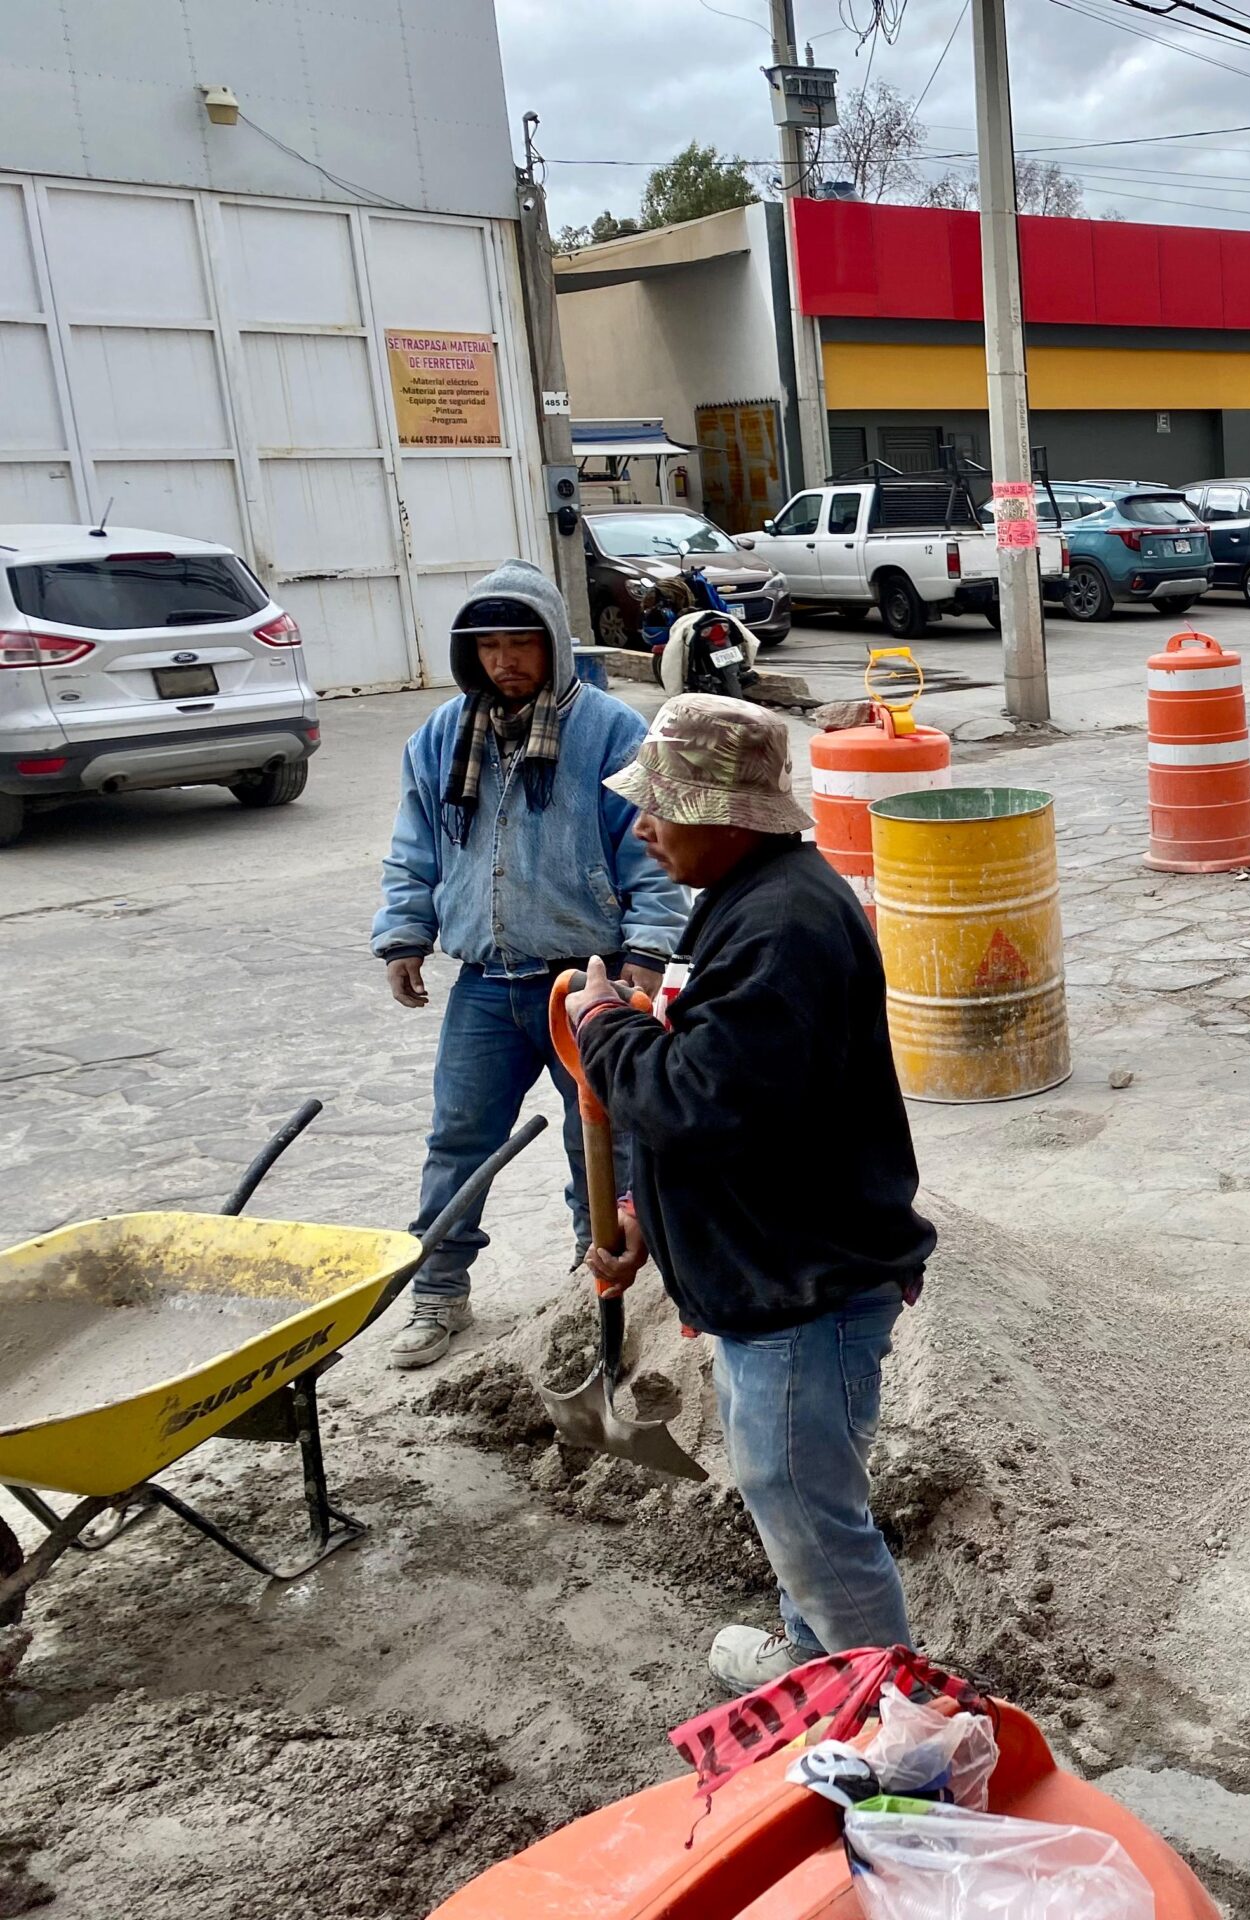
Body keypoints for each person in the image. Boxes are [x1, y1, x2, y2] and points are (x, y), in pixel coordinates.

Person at [571, 694, 936, 1694]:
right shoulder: (744, 898)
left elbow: (694, 1099)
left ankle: (886, 1718)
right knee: (792, 1500)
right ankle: (819, 1664)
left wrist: (604, 1026)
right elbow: (730, 1083)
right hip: (766, 1261)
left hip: (802, 1284)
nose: (642, 826)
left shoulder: (782, 926)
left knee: (808, 1508)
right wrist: (645, 1219)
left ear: (733, 815)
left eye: (664, 808)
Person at [372, 562, 686, 1370]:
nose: (505, 662)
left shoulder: (613, 732)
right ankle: (439, 1293)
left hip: (589, 980)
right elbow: (415, 852)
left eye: (521, 645)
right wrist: (405, 934)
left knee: (605, 1143)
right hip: (485, 983)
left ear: (552, 645)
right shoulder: (442, 737)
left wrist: (645, 959)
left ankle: (602, 1292)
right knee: (459, 1140)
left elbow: (650, 855)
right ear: (466, 654)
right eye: (488, 647)